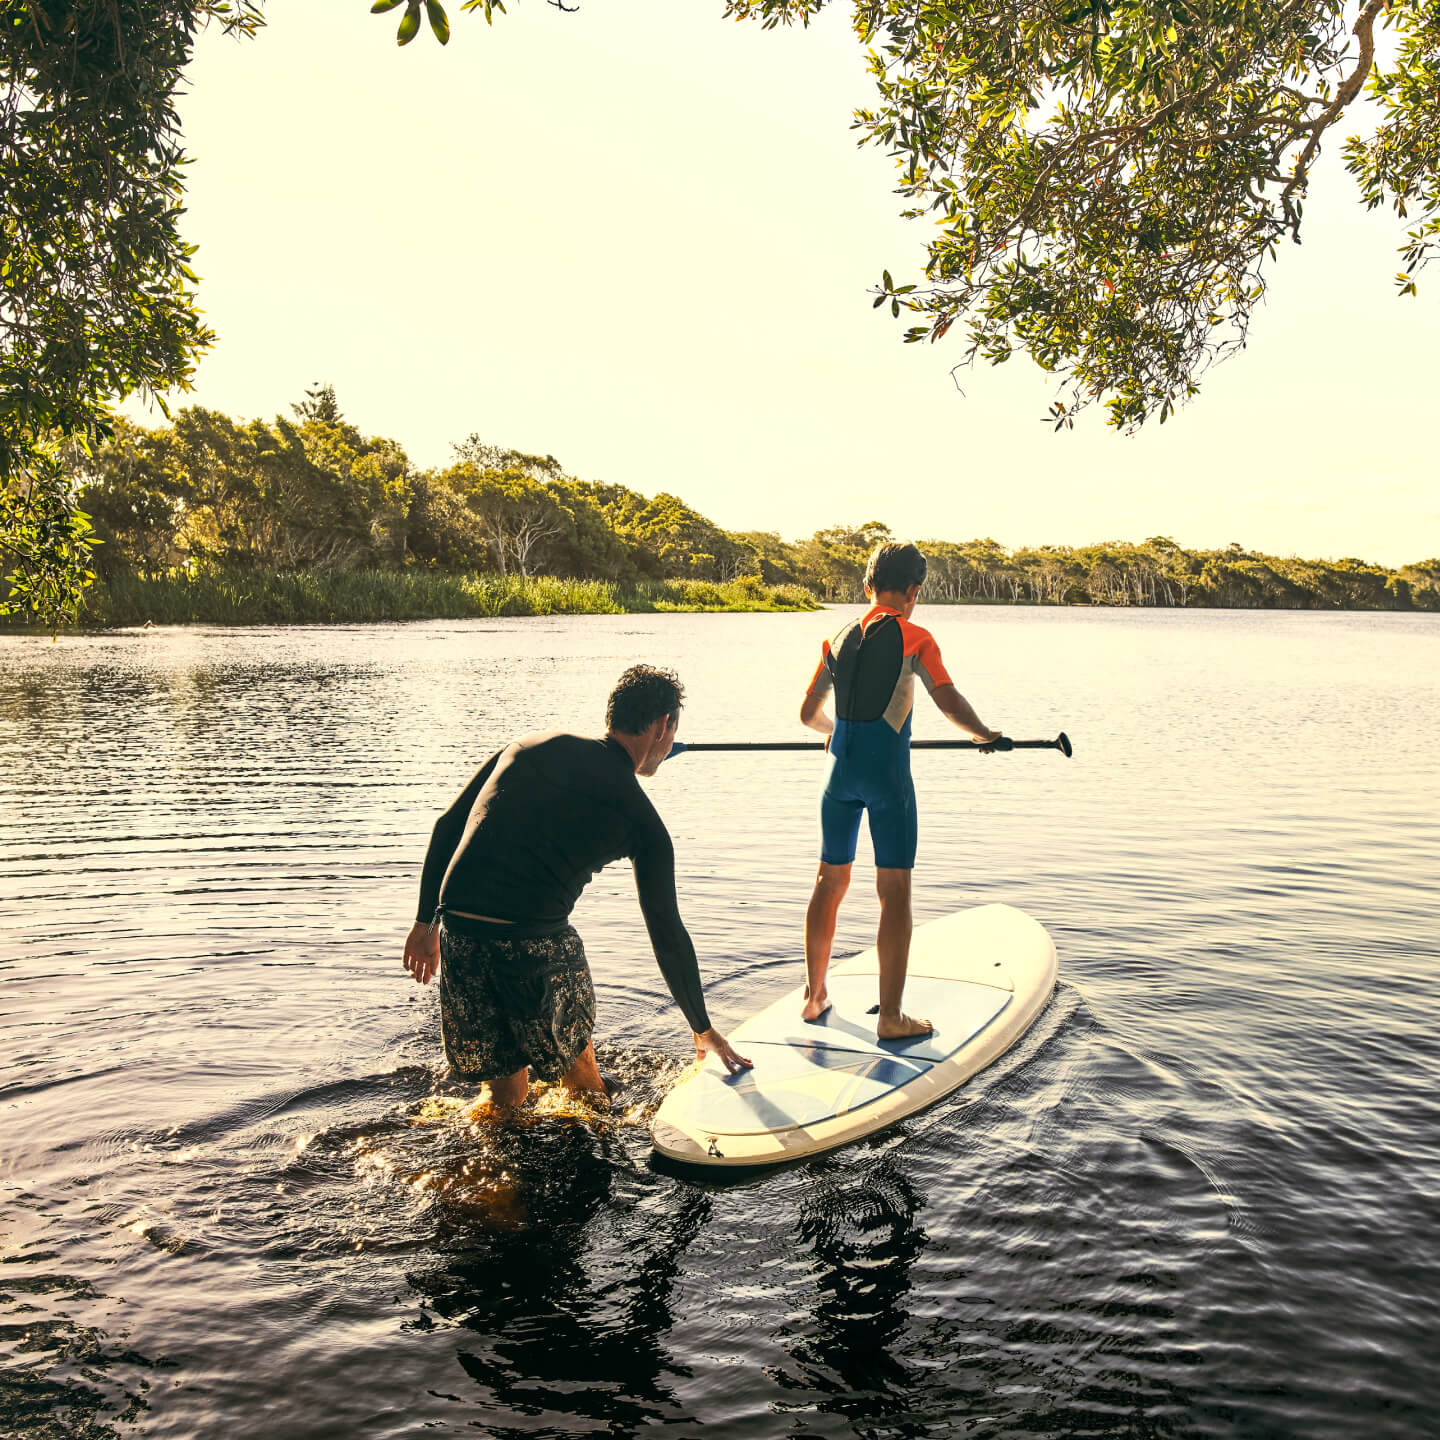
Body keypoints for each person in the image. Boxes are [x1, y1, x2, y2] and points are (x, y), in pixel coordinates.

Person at [402, 665, 751, 1109]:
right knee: (581, 1076)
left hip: (460, 934)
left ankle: (494, 1164)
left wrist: (424, 923)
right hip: (533, 942)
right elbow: (666, 932)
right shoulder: (641, 820)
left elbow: (448, 825)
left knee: (505, 1091)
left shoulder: (528, 746)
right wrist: (701, 1028)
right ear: (664, 725)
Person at [799, 541, 1002, 1039]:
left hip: (837, 777)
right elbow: (948, 700)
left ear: (867, 587)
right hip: (888, 780)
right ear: (914, 591)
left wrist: (832, 731)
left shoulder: (836, 638)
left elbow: (808, 715)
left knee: (829, 883)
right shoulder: (916, 638)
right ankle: (890, 1017)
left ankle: (814, 996)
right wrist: (984, 735)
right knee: (894, 892)